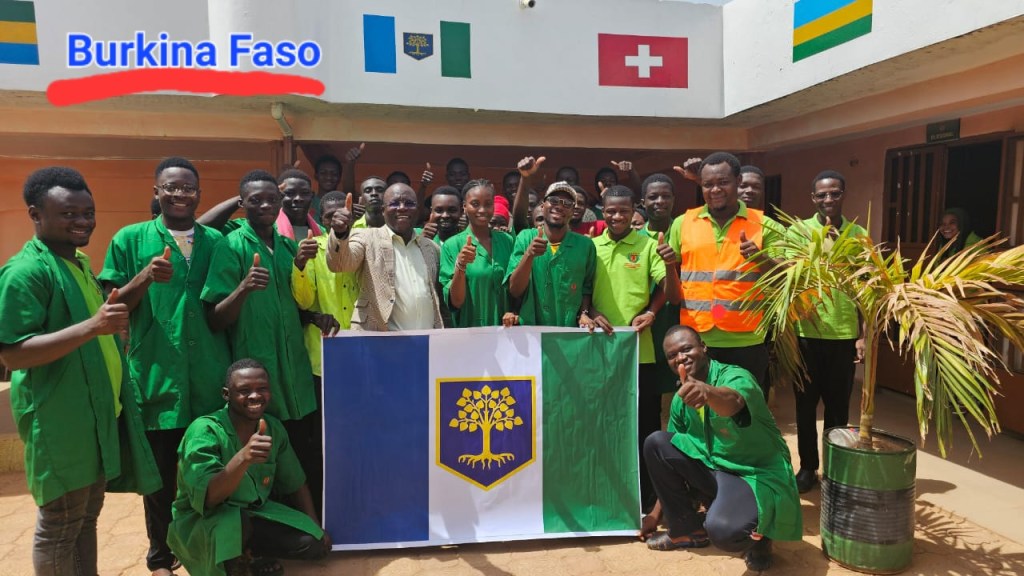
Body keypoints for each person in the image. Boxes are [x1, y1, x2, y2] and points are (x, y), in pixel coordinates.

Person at [0, 166, 159, 575]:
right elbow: (13, 354)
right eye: (69, 214)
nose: (83, 222)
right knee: (59, 526)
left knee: (85, 518)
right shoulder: (27, 272)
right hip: (60, 424)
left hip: (93, 420)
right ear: (35, 214)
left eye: (88, 213)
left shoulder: (78, 262)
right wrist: (94, 327)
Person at [99, 157, 231, 576]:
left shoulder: (216, 241)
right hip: (157, 375)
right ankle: (161, 554)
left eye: (188, 187)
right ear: (156, 192)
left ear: (199, 194)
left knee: (208, 468)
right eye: (170, 187)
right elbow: (111, 306)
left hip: (208, 374)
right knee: (159, 476)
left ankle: (209, 548)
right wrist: (143, 277)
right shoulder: (130, 238)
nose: (179, 194)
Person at [640, 326, 801, 572]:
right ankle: (686, 530)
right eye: (672, 355)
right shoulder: (680, 400)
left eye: (686, 349)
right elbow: (669, 450)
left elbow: (733, 401)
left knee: (724, 531)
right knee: (657, 443)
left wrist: (707, 392)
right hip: (717, 469)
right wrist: (654, 515)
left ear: (703, 347)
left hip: (754, 475)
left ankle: (761, 536)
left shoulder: (736, 376)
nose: (680, 358)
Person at [201, 169, 319, 500]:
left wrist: (314, 315)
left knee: (300, 453)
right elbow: (214, 319)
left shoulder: (288, 247)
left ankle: (302, 520)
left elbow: (293, 305)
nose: (265, 205)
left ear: (280, 202)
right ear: (243, 204)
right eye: (255, 200)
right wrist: (243, 288)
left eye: (271, 199)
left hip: (295, 376)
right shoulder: (230, 246)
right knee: (264, 460)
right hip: (259, 377)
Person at [168, 359, 330, 576]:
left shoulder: (273, 427)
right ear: (226, 394)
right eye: (244, 391)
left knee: (313, 544)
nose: (255, 396)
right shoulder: (204, 431)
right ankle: (236, 564)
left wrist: (315, 526)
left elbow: (295, 483)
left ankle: (252, 556)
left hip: (254, 514)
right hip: (207, 520)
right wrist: (243, 457)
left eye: (262, 388)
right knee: (237, 526)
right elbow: (210, 498)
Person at [667, 152, 786, 399]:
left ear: (738, 181)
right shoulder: (683, 223)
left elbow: (784, 279)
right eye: (708, 184)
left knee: (746, 410)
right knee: (700, 411)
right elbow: (673, 277)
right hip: (697, 342)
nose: (715, 190)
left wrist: (761, 258)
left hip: (746, 341)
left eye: (723, 182)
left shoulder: (766, 225)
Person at [591, 184, 680, 512]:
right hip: (599, 352)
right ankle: (606, 491)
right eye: (611, 211)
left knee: (644, 427)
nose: (617, 216)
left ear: (634, 212)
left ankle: (647, 496)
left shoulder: (648, 246)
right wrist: (590, 312)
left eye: (624, 211)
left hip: (639, 353)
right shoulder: (592, 246)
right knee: (604, 424)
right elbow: (584, 291)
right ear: (602, 211)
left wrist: (652, 311)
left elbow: (671, 294)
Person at [790, 170, 867, 493]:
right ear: (813, 198)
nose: (828, 199)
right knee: (805, 406)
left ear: (843, 194)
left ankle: (835, 470)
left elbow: (866, 289)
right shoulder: (799, 231)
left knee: (838, 409)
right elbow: (787, 279)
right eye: (822, 195)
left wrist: (862, 335)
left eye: (834, 193)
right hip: (806, 333)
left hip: (843, 335)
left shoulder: (858, 234)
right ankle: (808, 467)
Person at [326, 184, 446, 331]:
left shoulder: (431, 248)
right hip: (379, 339)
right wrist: (339, 233)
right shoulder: (366, 237)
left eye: (409, 203)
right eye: (394, 203)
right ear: (383, 210)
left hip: (426, 340)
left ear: (418, 210)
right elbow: (339, 264)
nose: (402, 208)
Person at [508, 160, 602, 330]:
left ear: (573, 211)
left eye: (567, 204)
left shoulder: (585, 245)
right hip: (531, 333)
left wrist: (584, 313)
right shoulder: (525, 238)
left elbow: (586, 288)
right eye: (553, 200)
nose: (560, 206)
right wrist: (529, 255)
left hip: (568, 332)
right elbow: (515, 290)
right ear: (543, 205)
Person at [440, 179, 515, 327]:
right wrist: (460, 266)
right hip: (470, 332)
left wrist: (513, 311)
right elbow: (455, 302)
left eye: (488, 204)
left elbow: (516, 287)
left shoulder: (507, 241)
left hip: (506, 332)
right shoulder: (452, 246)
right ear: (464, 207)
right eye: (475, 204)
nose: (482, 210)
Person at [276, 168, 322, 241]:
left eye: (305, 193)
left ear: (312, 196)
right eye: (290, 193)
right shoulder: (270, 231)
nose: (298, 199)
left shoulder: (322, 232)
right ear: (279, 196)